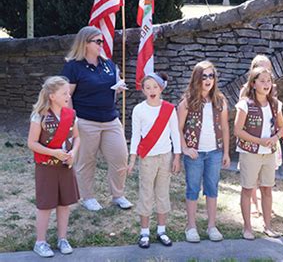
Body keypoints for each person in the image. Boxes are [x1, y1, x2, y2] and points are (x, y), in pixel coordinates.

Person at [61, 26, 131, 211]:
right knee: (86, 160)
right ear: (85, 43)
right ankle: (88, 197)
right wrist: (72, 121)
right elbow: (66, 97)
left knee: (120, 157)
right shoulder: (73, 67)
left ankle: (118, 195)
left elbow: (111, 86)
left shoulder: (108, 64)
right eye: (98, 41)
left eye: (102, 41)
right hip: (85, 121)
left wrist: (118, 87)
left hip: (110, 119)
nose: (102, 44)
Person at [178, 61, 231, 243]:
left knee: (212, 188)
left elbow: (224, 127)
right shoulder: (187, 102)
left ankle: (211, 226)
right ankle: (191, 226)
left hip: (214, 152)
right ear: (197, 78)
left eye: (211, 76)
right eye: (204, 76)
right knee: (193, 188)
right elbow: (178, 128)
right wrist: (185, 148)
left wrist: (225, 152)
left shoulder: (220, 101)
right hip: (195, 153)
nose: (208, 80)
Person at [27, 76, 80, 257]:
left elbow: (77, 138)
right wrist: (54, 153)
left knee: (64, 203)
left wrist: (73, 153)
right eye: (64, 93)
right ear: (51, 96)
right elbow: (32, 143)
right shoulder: (40, 116)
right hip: (46, 166)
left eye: (68, 92)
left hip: (66, 165)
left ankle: (62, 238)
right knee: (45, 204)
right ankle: (40, 242)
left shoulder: (71, 114)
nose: (68, 95)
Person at [128, 73, 181, 248]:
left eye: (155, 87)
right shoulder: (139, 110)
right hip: (147, 158)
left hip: (165, 156)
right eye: (148, 87)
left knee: (163, 193)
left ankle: (161, 230)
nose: (152, 90)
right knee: (146, 194)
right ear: (143, 90)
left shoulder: (169, 109)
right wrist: (132, 159)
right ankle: (144, 232)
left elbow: (175, 133)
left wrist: (177, 156)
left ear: (161, 88)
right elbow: (135, 136)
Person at [234, 66, 283, 240]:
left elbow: (282, 127)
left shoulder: (275, 104)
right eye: (262, 81)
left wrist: (276, 137)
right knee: (248, 189)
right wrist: (259, 141)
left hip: (269, 153)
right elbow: (238, 130)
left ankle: (268, 226)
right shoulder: (245, 104)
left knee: (267, 189)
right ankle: (247, 228)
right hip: (250, 153)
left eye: (269, 81)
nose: (266, 84)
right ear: (253, 83)